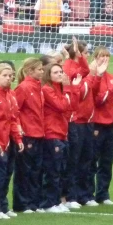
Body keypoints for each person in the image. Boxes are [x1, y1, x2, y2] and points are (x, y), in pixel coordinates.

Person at [40, 61, 81, 213]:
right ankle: (48, 203)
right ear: (48, 75)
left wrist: (72, 88)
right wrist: (69, 89)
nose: (60, 74)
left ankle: (56, 201)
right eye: (56, 72)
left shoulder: (60, 88)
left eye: (60, 72)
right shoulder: (47, 89)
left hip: (61, 132)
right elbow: (62, 106)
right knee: (52, 170)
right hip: (52, 132)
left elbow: (74, 106)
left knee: (60, 168)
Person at [0, 61, 23, 219]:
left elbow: (13, 119)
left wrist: (18, 138)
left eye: (11, 76)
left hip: (9, 141)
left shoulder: (11, 95)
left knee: (7, 173)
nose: (9, 78)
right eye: (5, 76)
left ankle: (0, 205)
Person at [62, 39, 97, 209]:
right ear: (78, 53)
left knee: (86, 159)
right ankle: (71, 196)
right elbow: (81, 93)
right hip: (77, 119)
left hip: (87, 119)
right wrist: (91, 77)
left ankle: (84, 194)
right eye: (86, 53)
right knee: (74, 160)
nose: (88, 55)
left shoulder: (78, 68)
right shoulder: (68, 68)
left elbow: (85, 70)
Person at [13, 58, 45, 213]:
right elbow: (15, 110)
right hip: (28, 134)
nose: (42, 71)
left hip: (39, 133)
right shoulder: (24, 88)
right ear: (30, 71)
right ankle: (22, 203)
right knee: (24, 170)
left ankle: (34, 202)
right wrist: (20, 128)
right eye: (39, 69)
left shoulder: (38, 87)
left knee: (36, 170)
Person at [91, 46, 113, 205]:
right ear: (95, 59)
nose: (105, 59)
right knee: (92, 160)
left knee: (107, 161)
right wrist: (112, 89)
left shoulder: (111, 77)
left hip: (110, 123)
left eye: (107, 57)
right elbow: (97, 101)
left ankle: (103, 194)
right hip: (97, 123)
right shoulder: (93, 77)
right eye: (102, 56)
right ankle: (89, 193)